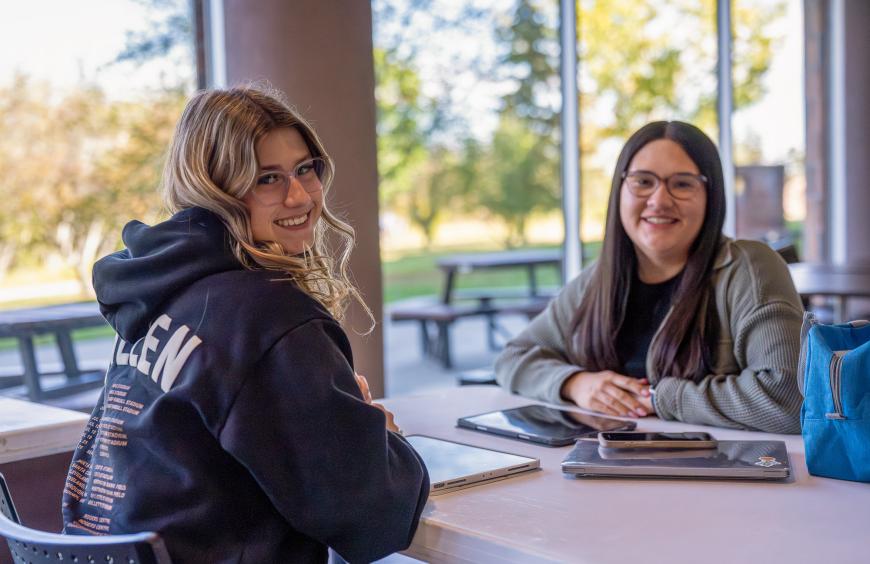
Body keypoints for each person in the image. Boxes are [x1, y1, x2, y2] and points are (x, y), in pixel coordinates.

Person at [61, 85, 429, 563]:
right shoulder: (270, 319)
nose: (299, 196)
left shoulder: (157, 295)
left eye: (304, 170)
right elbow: (374, 516)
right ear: (213, 189)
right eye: (266, 179)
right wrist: (381, 434)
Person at [495, 121, 803, 434]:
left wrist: (658, 399)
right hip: (604, 468)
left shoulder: (748, 268)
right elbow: (513, 358)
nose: (659, 200)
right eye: (643, 181)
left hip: (717, 474)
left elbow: (788, 397)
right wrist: (576, 384)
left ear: (711, 198)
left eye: (682, 184)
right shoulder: (596, 281)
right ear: (620, 191)